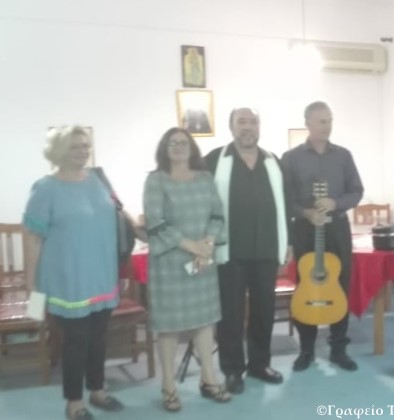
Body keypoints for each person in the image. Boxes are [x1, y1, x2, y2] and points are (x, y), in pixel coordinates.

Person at [23, 126, 124, 420]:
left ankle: (98, 390)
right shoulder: (46, 188)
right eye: (74, 146)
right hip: (69, 280)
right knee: (76, 343)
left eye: (85, 145)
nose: (82, 151)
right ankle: (74, 402)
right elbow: (32, 238)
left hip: (102, 275)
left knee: (99, 339)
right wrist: (31, 285)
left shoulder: (98, 179)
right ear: (58, 151)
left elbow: (117, 213)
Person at [143, 127, 231, 411]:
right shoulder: (156, 180)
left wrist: (208, 241)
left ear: (192, 148)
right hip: (169, 265)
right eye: (172, 143)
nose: (178, 147)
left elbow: (217, 214)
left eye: (183, 142)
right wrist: (191, 245)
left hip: (202, 262)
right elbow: (155, 221)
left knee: (205, 322)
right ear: (164, 148)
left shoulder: (205, 179)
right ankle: (169, 386)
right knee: (168, 328)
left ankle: (209, 379)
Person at [205, 107, 291, 394]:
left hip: (266, 248)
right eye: (241, 122)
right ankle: (232, 370)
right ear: (231, 127)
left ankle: (259, 364)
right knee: (230, 313)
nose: (247, 127)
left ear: (259, 127)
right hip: (229, 251)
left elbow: (286, 204)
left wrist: (288, 243)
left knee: (264, 310)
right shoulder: (215, 160)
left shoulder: (273, 161)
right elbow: (201, 200)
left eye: (252, 122)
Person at [281, 101, 364, 372]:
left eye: (329, 121)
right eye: (321, 121)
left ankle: (339, 348)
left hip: (337, 228)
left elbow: (357, 191)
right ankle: (306, 350)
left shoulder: (343, 156)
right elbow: (285, 199)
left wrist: (335, 203)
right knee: (308, 284)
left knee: (340, 285)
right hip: (306, 230)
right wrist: (306, 213)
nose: (327, 126)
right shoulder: (291, 158)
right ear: (307, 123)